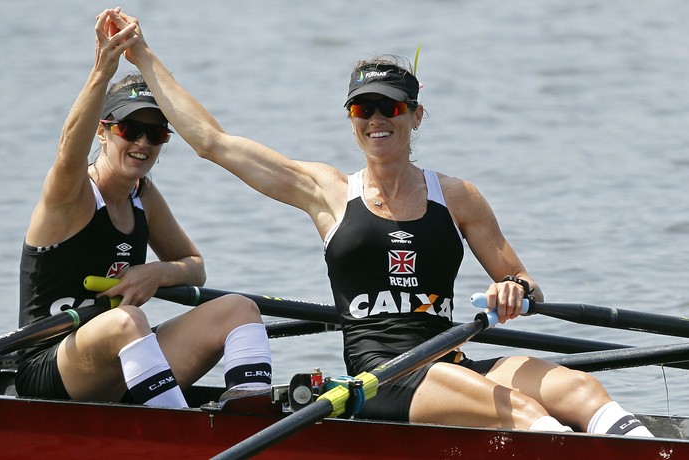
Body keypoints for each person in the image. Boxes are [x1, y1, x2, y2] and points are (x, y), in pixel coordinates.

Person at [111, 10, 652, 436]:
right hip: (380, 378)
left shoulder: (459, 197)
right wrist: (143, 54)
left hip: (452, 360)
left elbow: (524, 280)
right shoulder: (326, 191)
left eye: (390, 109)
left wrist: (512, 289)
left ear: (416, 116)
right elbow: (213, 143)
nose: (376, 120)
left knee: (580, 388)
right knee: (526, 413)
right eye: (362, 109)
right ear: (350, 120)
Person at [15, 9, 272, 408]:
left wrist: (156, 272)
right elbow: (69, 152)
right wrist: (103, 69)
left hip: (121, 354)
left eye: (155, 133)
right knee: (127, 321)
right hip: (48, 367)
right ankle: (175, 431)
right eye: (130, 130)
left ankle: (252, 415)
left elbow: (193, 264)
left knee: (240, 308)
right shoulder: (71, 192)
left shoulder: (143, 196)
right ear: (102, 131)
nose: (143, 144)